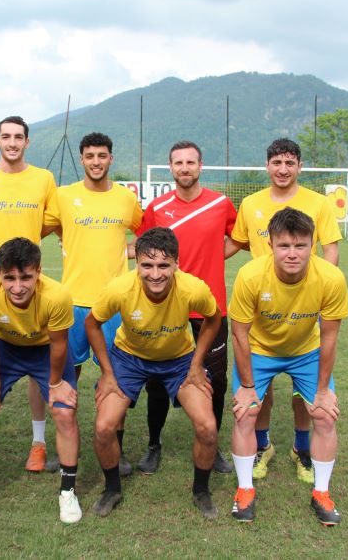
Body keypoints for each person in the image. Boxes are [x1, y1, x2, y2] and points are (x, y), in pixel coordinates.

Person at [227, 138, 342, 484]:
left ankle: (301, 447)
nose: (283, 169)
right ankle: (262, 446)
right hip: (263, 309)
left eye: (289, 163)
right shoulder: (250, 203)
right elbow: (237, 242)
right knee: (259, 393)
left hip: (303, 310)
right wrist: (196, 258)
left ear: (299, 167)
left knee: (302, 395)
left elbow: (330, 251)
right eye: (277, 162)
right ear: (267, 166)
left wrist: (320, 290)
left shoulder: (318, 204)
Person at [87, 227, 222, 519]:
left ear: (176, 264)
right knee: (103, 426)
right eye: (147, 265)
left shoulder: (193, 288)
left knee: (208, 428)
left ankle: (201, 491)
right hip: (129, 359)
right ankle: (112, 489)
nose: (155, 274)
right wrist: (108, 373)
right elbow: (92, 324)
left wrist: (197, 363)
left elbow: (214, 318)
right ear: (137, 264)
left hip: (179, 361)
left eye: (163, 265)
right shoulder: (120, 289)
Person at [227, 208, 348, 526]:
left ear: (312, 244)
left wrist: (322, 391)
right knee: (246, 410)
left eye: (301, 246)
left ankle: (321, 493)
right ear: (271, 245)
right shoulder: (251, 276)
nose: (292, 254)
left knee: (324, 414)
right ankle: (244, 490)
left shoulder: (331, 278)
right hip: (259, 349)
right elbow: (238, 333)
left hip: (306, 351)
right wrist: (248, 387)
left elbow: (330, 337)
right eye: (284, 246)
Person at [42, 132, 143, 476]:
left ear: (110, 159)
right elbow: (42, 228)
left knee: (117, 378)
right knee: (66, 376)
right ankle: (64, 446)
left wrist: (131, 252)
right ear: (82, 159)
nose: (96, 161)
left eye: (102, 155)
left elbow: (146, 231)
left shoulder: (125, 199)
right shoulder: (65, 195)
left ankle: (117, 446)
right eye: (90, 156)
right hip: (72, 304)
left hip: (115, 305)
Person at [135, 141, 238, 475]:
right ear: (170, 167)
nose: (184, 168)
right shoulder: (157, 208)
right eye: (178, 162)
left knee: (216, 381)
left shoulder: (221, 204)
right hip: (166, 309)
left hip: (210, 310)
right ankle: (154, 444)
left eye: (190, 162)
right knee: (157, 381)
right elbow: (143, 248)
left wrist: (212, 258)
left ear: (201, 166)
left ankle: (213, 443)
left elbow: (238, 238)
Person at [0, 116, 59, 473]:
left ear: (28, 142)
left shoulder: (44, 179)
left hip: (29, 286)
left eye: (19, 137)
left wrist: (28, 246)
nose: (13, 142)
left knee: (38, 370)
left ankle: (38, 444)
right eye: (6, 136)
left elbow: (51, 222)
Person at [0, 237, 82, 523]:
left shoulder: (57, 295)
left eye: (26, 277)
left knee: (64, 413)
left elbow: (58, 345)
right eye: (9, 278)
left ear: (39, 272)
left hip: (45, 351)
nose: (18, 287)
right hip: (5, 350)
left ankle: (68, 492)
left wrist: (55, 384)